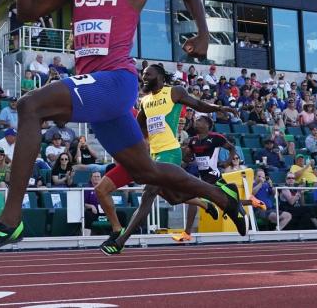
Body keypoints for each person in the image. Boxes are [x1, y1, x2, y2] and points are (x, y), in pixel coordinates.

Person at [0, 0, 246, 251]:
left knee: (30, 105)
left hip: (116, 81)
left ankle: (10, 221)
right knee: (147, 172)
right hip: (97, 94)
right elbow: (28, 11)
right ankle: (222, 195)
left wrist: (203, 34)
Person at [98, 64, 241, 253]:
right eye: (143, 75)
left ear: (159, 75)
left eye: (148, 74)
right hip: (154, 155)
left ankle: (120, 242)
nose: (144, 77)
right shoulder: (145, 101)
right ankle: (221, 191)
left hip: (170, 151)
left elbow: (198, 104)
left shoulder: (174, 92)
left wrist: (220, 107)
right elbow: (140, 129)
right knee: (174, 198)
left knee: (148, 195)